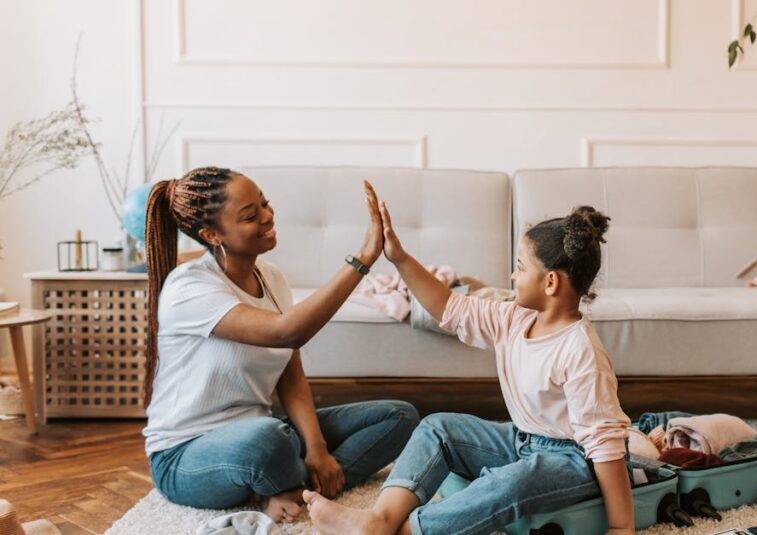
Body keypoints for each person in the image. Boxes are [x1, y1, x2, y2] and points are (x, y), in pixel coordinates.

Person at [303, 201, 635, 535]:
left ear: (550, 283)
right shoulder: (513, 318)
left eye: (520, 267)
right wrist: (399, 257)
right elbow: (450, 307)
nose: (512, 275)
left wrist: (621, 526)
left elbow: (605, 445)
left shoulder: (581, 352)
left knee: (508, 484)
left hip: (575, 461)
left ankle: (408, 532)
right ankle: (381, 519)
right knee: (438, 427)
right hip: (522, 440)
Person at [141, 167, 419, 521]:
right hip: (185, 455)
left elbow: (291, 373)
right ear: (212, 234)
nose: (268, 216)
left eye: (265, 204)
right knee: (267, 440)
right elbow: (287, 332)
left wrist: (317, 449)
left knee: (399, 416)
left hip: (266, 433)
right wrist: (363, 259)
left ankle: (296, 488)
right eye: (250, 215)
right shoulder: (188, 289)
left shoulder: (272, 278)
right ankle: (285, 484)